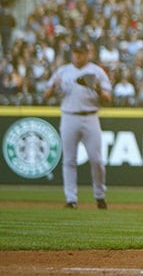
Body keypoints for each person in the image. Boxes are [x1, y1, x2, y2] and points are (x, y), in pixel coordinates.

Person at [43, 39, 113, 209]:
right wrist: (53, 87)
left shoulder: (96, 71)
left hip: (90, 116)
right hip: (68, 116)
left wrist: (96, 88)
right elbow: (45, 95)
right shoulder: (63, 71)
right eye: (75, 52)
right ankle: (71, 199)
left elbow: (108, 98)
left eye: (81, 52)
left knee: (96, 159)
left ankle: (99, 195)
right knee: (69, 160)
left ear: (88, 53)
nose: (78, 55)